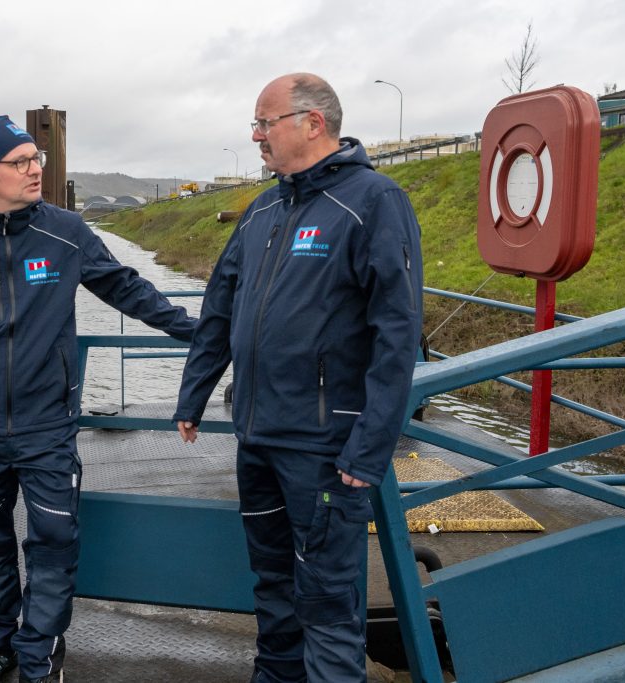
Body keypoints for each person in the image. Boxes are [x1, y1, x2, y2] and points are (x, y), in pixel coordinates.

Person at [0, 114, 196, 683]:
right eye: (19, 162)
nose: (34, 169)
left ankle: (40, 656)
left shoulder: (66, 232)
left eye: (36, 158)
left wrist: (200, 331)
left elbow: (126, 287)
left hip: (46, 427)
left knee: (54, 543)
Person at [174, 73, 424, 682]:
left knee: (327, 599)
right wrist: (195, 393)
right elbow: (221, 308)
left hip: (324, 447)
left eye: (265, 123)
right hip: (258, 436)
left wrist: (368, 450)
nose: (256, 136)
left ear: (313, 123)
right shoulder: (264, 207)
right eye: (254, 125)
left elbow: (398, 338)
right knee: (273, 587)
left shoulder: (372, 201)